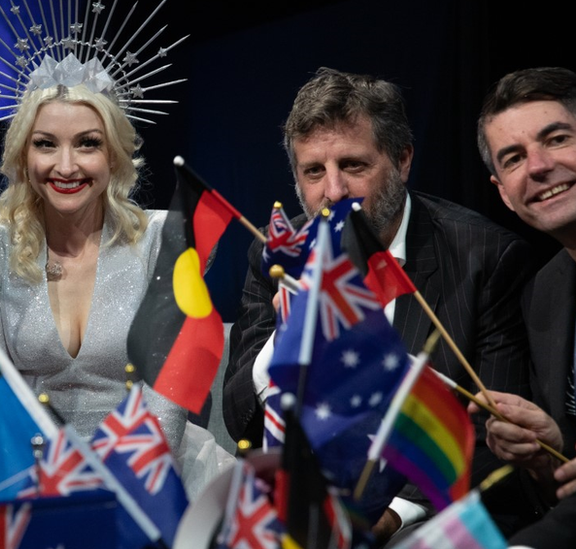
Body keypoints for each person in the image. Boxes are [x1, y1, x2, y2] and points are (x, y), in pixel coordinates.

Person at [222, 67, 535, 541]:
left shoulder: (485, 258)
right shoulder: (274, 254)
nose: (333, 192)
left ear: (403, 160)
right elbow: (238, 411)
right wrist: (289, 338)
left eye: (353, 165)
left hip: (434, 513)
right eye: (314, 171)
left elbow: (493, 436)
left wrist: (385, 517)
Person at [0, 83, 233, 497]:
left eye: (87, 144)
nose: (66, 165)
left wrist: (124, 508)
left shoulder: (168, 240)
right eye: (46, 144)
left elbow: (165, 395)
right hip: (29, 475)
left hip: (149, 475)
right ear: (23, 157)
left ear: (113, 156)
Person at [474, 66, 576, 548]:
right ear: (503, 194)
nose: (537, 167)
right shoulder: (542, 294)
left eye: (556, 138)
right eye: (513, 158)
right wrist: (549, 451)